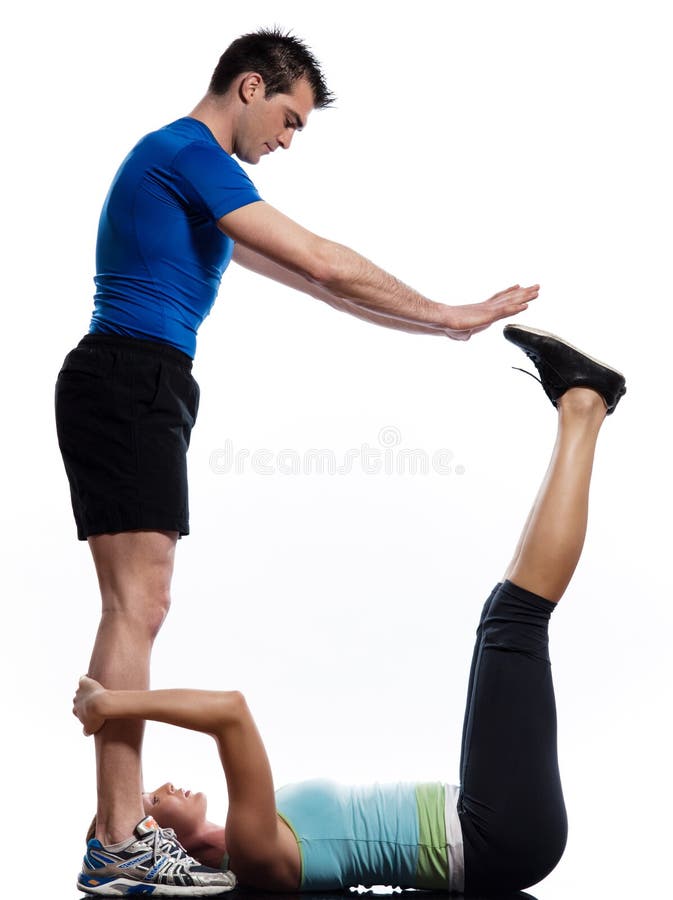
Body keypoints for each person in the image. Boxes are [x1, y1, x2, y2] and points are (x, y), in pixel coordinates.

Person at [55, 25, 539, 888]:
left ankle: (118, 837)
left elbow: (319, 282)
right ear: (249, 86)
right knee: (137, 606)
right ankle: (120, 840)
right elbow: (324, 257)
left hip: (144, 380)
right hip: (127, 377)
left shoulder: (198, 185)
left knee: (143, 605)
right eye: (288, 119)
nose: (285, 141)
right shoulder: (188, 154)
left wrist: (437, 325)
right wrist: (451, 311)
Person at [72, 327, 626, 896]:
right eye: (148, 807)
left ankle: (577, 408)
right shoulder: (255, 854)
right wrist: (109, 701)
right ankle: (583, 405)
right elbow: (229, 713)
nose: (159, 787)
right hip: (493, 836)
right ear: (168, 849)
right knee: (514, 621)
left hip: (481, 819)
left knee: (502, 618)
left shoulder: (254, 834)